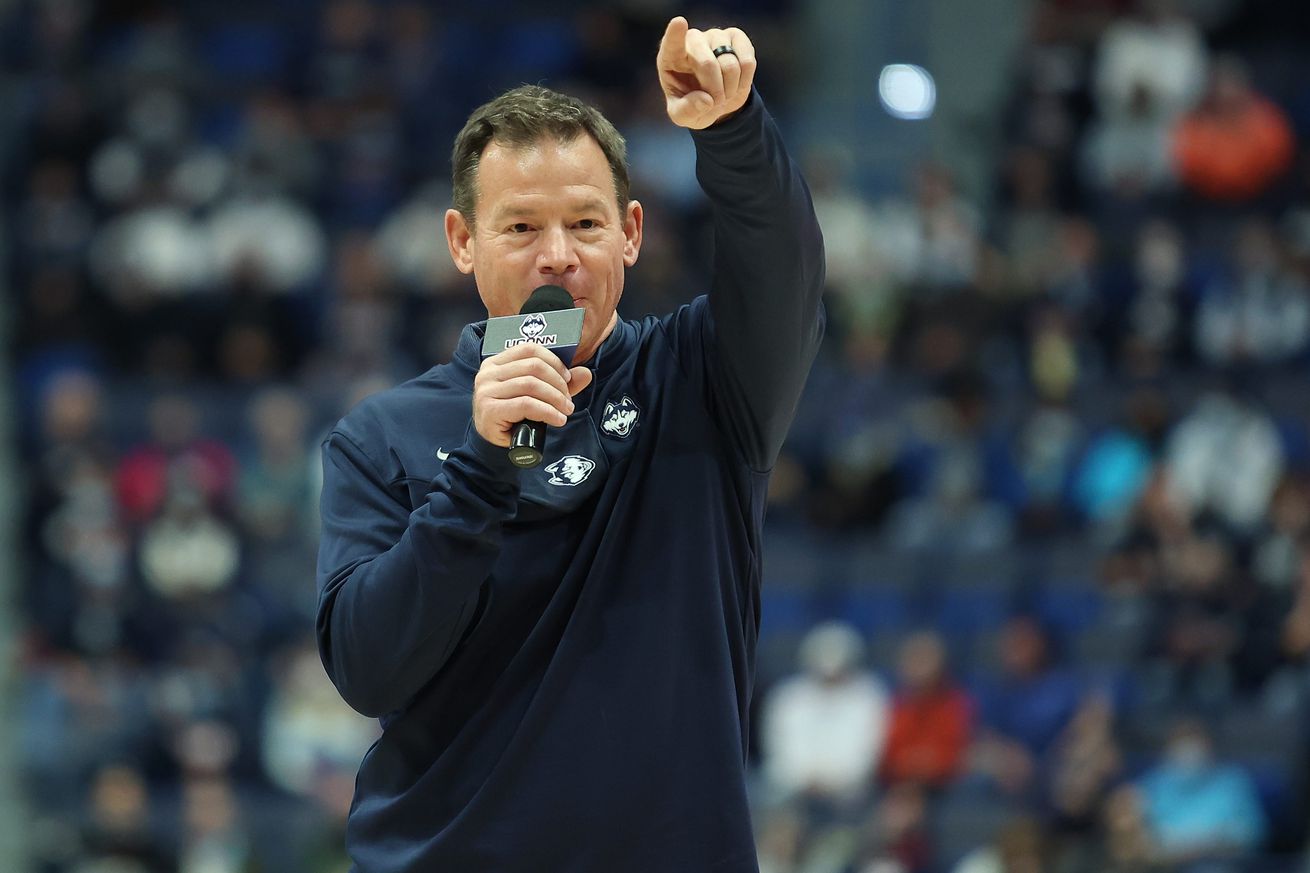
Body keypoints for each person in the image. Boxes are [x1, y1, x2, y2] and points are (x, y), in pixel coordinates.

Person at [315, 15, 825, 873]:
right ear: (461, 242)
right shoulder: (382, 436)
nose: (558, 257)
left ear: (630, 231)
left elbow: (785, 271)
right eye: (519, 229)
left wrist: (733, 130)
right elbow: (370, 670)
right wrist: (480, 470)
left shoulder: (704, 379)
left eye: (586, 225)